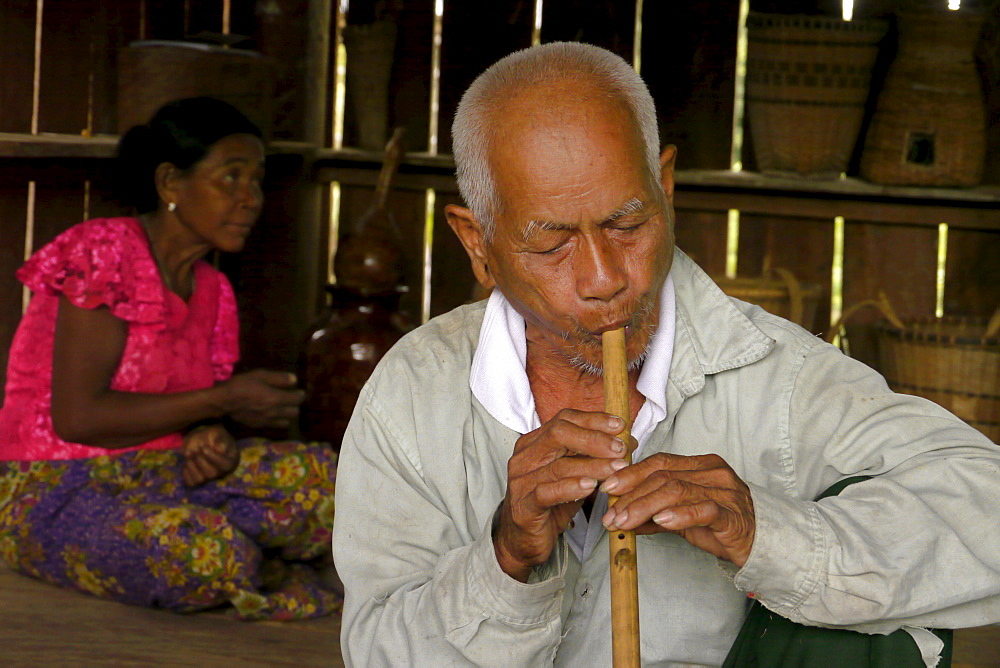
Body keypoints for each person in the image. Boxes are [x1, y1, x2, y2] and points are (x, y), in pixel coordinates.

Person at [332, 42, 1000, 665]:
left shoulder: (779, 379)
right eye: (551, 244)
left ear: (665, 186)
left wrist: (763, 532)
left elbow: (986, 510)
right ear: (477, 243)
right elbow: (376, 650)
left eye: (627, 225)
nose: (604, 279)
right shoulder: (415, 393)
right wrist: (506, 555)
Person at [0, 97, 339, 620]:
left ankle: (245, 550)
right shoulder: (105, 253)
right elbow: (78, 418)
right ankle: (245, 552)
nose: (251, 198)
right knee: (207, 553)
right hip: (54, 488)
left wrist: (210, 436)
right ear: (170, 184)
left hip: (165, 475)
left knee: (331, 482)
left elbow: (191, 417)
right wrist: (224, 399)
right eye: (231, 177)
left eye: (257, 180)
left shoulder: (213, 291)